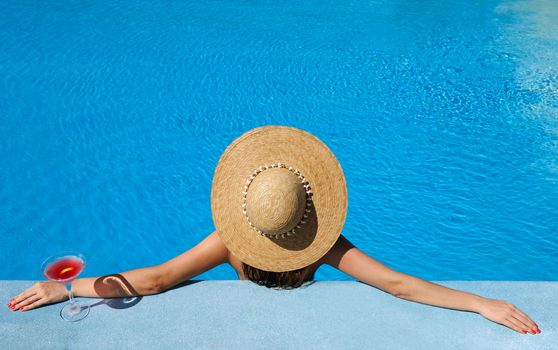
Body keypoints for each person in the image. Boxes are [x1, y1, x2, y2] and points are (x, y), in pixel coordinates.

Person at [7, 126, 541, 335]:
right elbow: (398, 284)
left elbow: (158, 279)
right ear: (309, 211)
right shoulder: (323, 247)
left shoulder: (229, 246)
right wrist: (477, 302)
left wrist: (70, 287)